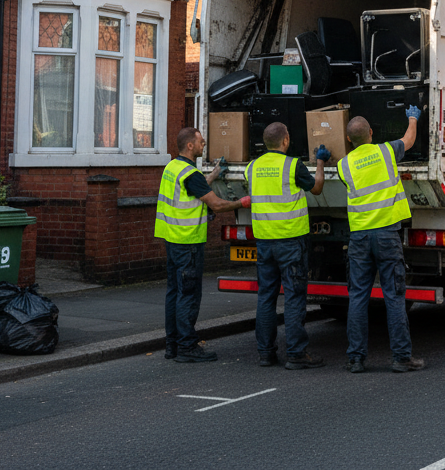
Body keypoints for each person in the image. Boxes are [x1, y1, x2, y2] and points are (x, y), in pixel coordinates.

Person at [338, 105, 425, 373]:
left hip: (360, 238)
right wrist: (412, 117)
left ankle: (355, 359)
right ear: (371, 133)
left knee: (358, 298)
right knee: (394, 297)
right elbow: (409, 140)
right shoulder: (385, 151)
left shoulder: (344, 165)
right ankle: (401, 358)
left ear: (349, 140)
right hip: (387, 235)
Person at [247, 123, 329, 369]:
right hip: (291, 241)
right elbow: (316, 188)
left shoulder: (252, 167)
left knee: (266, 297)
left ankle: (266, 353)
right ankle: (296, 353)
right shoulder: (293, 165)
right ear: (285, 141)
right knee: (293, 297)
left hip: (264, 241)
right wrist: (320, 162)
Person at [156, 127, 239, 363]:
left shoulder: (173, 167)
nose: (204, 144)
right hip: (188, 241)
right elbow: (217, 205)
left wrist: (214, 174)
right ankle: (187, 346)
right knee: (188, 296)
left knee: (174, 293)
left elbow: (194, 189)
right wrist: (242, 202)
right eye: (201, 142)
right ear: (190, 146)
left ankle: (172, 344)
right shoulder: (189, 174)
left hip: (172, 239)